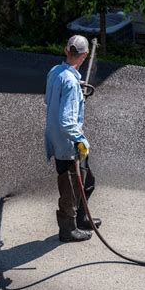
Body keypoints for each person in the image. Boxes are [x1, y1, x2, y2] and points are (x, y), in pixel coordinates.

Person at [44, 35, 102, 243]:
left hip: (56, 137)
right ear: (85, 55)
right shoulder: (69, 81)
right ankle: (67, 229)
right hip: (67, 142)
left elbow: (49, 98)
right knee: (69, 186)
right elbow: (67, 121)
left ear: (65, 50)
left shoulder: (56, 72)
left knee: (87, 180)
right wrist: (80, 140)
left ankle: (82, 217)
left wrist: (78, 84)